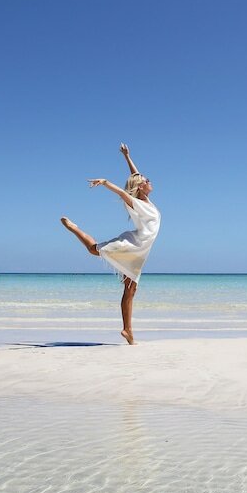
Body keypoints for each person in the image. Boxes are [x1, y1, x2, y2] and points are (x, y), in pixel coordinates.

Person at [61, 143, 160, 345]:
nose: (149, 180)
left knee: (130, 290)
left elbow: (136, 175)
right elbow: (123, 194)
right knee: (94, 250)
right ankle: (75, 228)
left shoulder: (144, 200)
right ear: (141, 187)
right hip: (133, 244)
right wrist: (106, 182)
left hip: (140, 252)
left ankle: (128, 331)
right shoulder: (138, 203)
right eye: (146, 181)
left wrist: (127, 157)